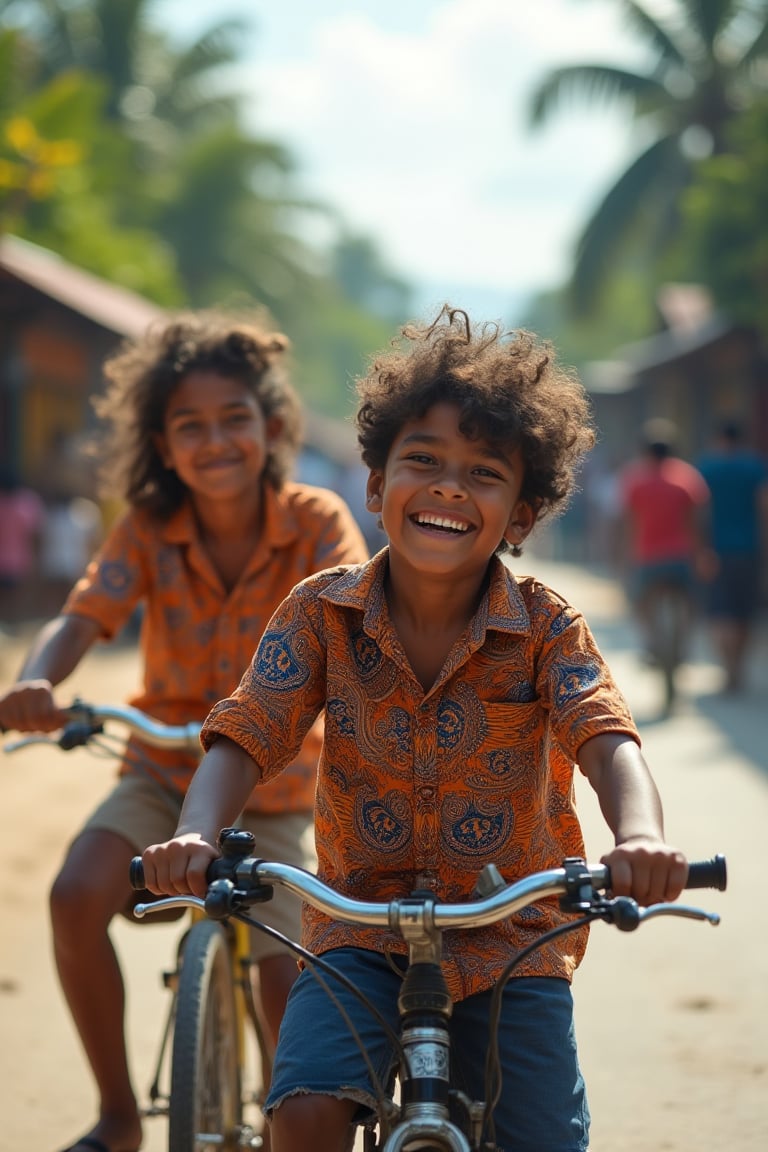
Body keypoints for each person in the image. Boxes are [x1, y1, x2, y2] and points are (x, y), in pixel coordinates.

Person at [141, 306, 687, 1152]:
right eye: (422, 462)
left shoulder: (547, 628)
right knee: (305, 1116)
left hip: (510, 938)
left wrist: (642, 837)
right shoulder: (321, 612)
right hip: (356, 926)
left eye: (483, 473)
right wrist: (193, 833)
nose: (448, 487)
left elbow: (605, 734)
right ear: (374, 485)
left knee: (541, 1137)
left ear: (522, 517)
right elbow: (249, 729)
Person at [0, 311, 368, 1152]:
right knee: (75, 891)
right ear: (163, 447)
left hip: (278, 787)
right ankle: (120, 1116)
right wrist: (34, 681)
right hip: (162, 775)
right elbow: (83, 615)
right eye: (189, 428)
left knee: (288, 983)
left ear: (270, 427)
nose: (215, 443)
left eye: (234, 420)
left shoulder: (315, 521)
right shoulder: (146, 529)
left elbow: (356, 624)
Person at [617, 418, 710, 664]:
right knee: (692, 601)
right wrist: (701, 554)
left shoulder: (634, 479)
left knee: (639, 601)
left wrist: (626, 555)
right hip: (681, 556)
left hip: (648, 556)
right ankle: (684, 644)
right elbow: (697, 521)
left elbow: (628, 521)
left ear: (645, 450)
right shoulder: (688, 477)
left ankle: (652, 642)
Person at [697, 419, 768, 692]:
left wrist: (701, 548)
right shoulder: (755, 467)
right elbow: (763, 510)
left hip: (715, 551)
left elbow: (697, 514)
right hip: (748, 549)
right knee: (744, 613)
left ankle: (726, 666)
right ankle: (737, 667)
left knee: (720, 611)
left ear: (718, 439)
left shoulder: (706, 468)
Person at [0, 466, 44, 625]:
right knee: (16, 597)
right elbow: (35, 534)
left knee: (4, 598)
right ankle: (14, 624)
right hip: (21, 559)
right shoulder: (27, 502)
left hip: (9, 559)